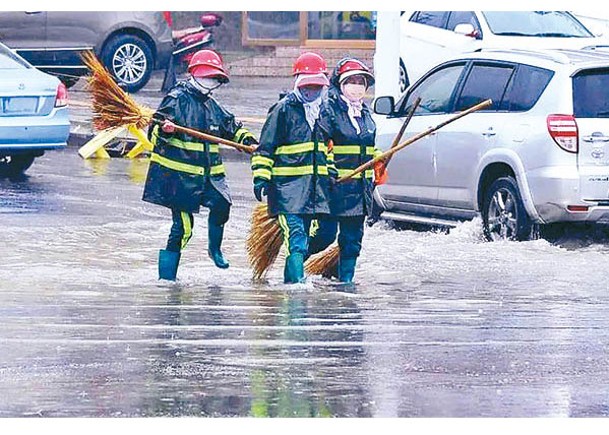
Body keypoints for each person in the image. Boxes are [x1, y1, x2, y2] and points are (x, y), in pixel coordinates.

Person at [142, 49, 258, 281]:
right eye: (207, 77)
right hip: (179, 181)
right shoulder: (176, 100)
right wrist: (164, 130)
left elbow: (232, 126)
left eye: (214, 79)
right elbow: (153, 135)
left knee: (222, 205)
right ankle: (167, 279)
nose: (210, 82)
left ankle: (214, 249)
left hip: (210, 177)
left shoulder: (212, 105)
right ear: (194, 74)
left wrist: (248, 141)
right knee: (183, 228)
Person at [251, 52, 336, 284]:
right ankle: (296, 289)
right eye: (308, 86)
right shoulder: (282, 110)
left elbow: (326, 151)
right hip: (287, 192)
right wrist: (261, 177)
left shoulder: (324, 112)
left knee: (323, 235)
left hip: (313, 192)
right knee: (297, 237)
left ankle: (292, 275)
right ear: (298, 83)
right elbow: (265, 148)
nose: (313, 92)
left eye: (317, 87)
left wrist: (331, 174)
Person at [308, 57, 387, 283]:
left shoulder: (365, 114)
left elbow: (368, 145)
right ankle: (294, 267)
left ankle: (346, 283)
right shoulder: (329, 111)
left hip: (359, 189)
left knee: (352, 241)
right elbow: (320, 145)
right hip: (334, 187)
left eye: (361, 82)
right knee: (324, 235)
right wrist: (330, 169)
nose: (357, 86)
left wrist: (378, 159)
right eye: (351, 81)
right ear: (340, 84)